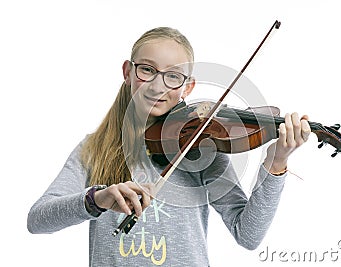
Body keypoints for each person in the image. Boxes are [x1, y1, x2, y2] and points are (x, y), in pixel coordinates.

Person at [27, 27, 311, 266]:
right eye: (147, 70)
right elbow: (38, 219)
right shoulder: (93, 148)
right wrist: (96, 199)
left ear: (188, 87)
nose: (157, 85)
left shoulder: (201, 149)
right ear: (128, 71)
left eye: (173, 76)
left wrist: (276, 164)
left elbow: (247, 234)